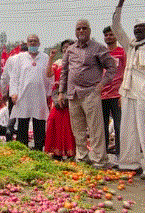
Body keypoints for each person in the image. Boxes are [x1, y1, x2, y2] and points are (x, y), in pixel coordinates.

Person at [111, 0, 145, 179]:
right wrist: (121, 2)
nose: (137, 30)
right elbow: (116, 27)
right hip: (128, 92)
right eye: (136, 27)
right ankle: (129, 163)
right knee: (127, 130)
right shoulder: (130, 44)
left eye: (141, 27)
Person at [59, 19, 116, 165]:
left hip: (91, 93)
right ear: (75, 31)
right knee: (78, 129)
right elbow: (64, 71)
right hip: (73, 94)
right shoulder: (70, 49)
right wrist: (61, 92)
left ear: (90, 30)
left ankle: (99, 159)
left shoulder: (98, 48)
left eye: (84, 28)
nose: (81, 31)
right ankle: (82, 156)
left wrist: (101, 85)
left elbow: (111, 68)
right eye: (78, 29)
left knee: (95, 128)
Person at [9, 34, 52, 150]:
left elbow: (49, 77)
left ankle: (38, 148)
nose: (32, 43)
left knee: (39, 122)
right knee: (23, 122)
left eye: (35, 41)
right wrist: (13, 92)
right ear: (27, 44)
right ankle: (22, 148)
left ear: (39, 43)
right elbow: (14, 77)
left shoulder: (45, 57)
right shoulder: (20, 58)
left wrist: (49, 94)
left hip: (39, 96)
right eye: (30, 41)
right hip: (23, 96)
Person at [44, 39, 75, 159]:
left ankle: (70, 152)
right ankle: (55, 151)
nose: (66, 49)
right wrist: (51, 58)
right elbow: (48, 74)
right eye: (64, 47)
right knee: (53, 121)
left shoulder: (76, 62)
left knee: (68, 124)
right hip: (57, 96)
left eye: (69, 47)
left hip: (71, 95)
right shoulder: (58, 62)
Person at [101, 26, 126, 155]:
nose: (109, 37)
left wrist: (124, 92)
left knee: (118, 126)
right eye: (106, 35)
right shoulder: (101, 53)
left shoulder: (122, 52)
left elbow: (127, 72)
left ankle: (120, 155)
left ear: (116, 36)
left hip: (117, 94)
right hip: (102, 95)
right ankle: (103, 156)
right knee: (103, 127)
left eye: (111, 35)